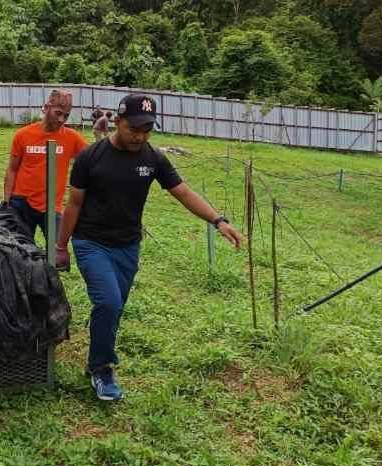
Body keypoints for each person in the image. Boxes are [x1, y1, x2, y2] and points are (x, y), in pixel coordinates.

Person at [55, 93, 245, 402]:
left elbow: (182, 192)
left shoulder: (152, 158)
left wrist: (218, 220)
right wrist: (61, 246)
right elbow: (74, 203)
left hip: (128, 245)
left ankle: (98, 341)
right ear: (117, 122)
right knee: (110, 303)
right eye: (133, 128)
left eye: (147, 130)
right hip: (91, 242)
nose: (140, 136)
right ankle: (102, 369)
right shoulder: (91, 157)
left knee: (112, 308)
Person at [3, 89, 87, 244]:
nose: (62, 119)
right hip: (22, 202)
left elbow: (91, 159)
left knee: (57, 250)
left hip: (52, 205)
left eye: (66, 115)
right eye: (58, 113)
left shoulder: (72, 138)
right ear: (46, 107)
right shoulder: (23, 135)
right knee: (21, 249)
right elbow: (12, 169)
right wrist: (7, 202)